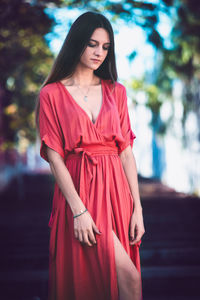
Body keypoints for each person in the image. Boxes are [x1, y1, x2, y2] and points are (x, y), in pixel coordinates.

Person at [35, 11, 145, 300]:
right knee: (124, 281)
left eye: (105, 47)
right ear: (77, 43)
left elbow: (126, 153)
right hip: (80, 193)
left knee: (120, 284)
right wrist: (79, 210)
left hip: (117, 195)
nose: (99, 52)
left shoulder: (116, 91)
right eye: (93, 44)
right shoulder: (51, 94)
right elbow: (55, 157)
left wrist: (138, 208)